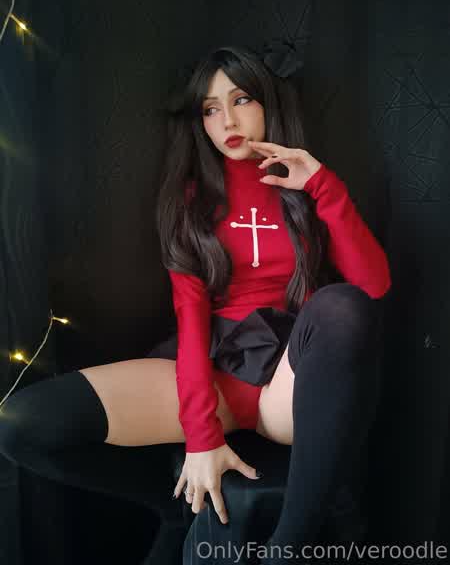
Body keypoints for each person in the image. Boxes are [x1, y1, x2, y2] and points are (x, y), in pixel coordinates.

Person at [0, 43, 391, 563]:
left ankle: (287, 549)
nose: (227, 120)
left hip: (289, 380)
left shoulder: (306, 187)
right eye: (210, 108)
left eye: (241, 99)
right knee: (23, 423)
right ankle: (169, 508)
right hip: (215, 365)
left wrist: (322, 184)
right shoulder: (190, 198)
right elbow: (191, 318)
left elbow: (373, 288)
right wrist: (201, 438)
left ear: (269, 102)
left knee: (342, 305)